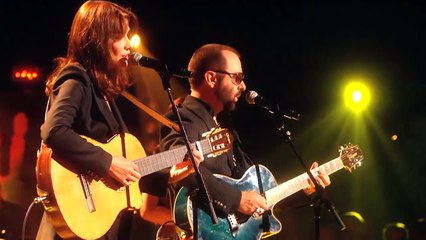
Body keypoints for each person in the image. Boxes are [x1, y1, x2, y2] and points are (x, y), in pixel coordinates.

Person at [140, 43, 331, 238]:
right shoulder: (181, 118)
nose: (243, 86)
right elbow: (184, 169)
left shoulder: (226, 128)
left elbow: (256, 194)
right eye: (237, 77)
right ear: (211, 78)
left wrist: (303, 187)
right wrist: (237, 199)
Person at [36, 1, 143, 239]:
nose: (128, 45)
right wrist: (107, 162)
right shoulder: (76, 78)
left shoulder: (101, 89)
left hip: (97, 223)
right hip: (74, 219)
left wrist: (172, 170)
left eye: (128, 36)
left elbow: (128, 165)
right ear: (97, 40)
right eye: (120, 36)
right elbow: (54, 130)